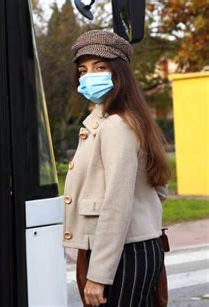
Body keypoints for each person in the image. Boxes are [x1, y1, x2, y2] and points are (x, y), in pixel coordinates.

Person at [63, 30, 171, 306]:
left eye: (100, 67)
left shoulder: (114, 126)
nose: (89, 76)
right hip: (136, 248)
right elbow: (157, 190)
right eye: (83, 69)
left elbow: (117, 205)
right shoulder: (132, 120)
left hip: (122, 254)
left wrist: (99, 275)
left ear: (118, 73)